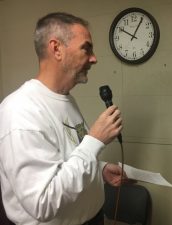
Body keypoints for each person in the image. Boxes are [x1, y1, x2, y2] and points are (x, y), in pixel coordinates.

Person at [0, 12, 126, 225]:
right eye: (86, 48)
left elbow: (67, 156)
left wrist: (100, 168)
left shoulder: (66, 99)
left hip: (93, 219)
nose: (94, 58)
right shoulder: (20, 111)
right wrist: (94, 141)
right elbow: (43, 202)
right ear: (56, 49)